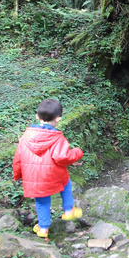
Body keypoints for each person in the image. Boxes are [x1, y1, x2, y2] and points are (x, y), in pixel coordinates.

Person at [13, 99, 84, 239]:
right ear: (58, 119)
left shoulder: (26, 136)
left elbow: (18, 158)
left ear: (37, 117)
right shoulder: (57, 138)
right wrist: (77, 152)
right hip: (53, 174)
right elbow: (62, 157)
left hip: (32, 177)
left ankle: (43, 228)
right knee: (65, 183)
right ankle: (69, 209)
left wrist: (18, 175)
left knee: (41, 201)